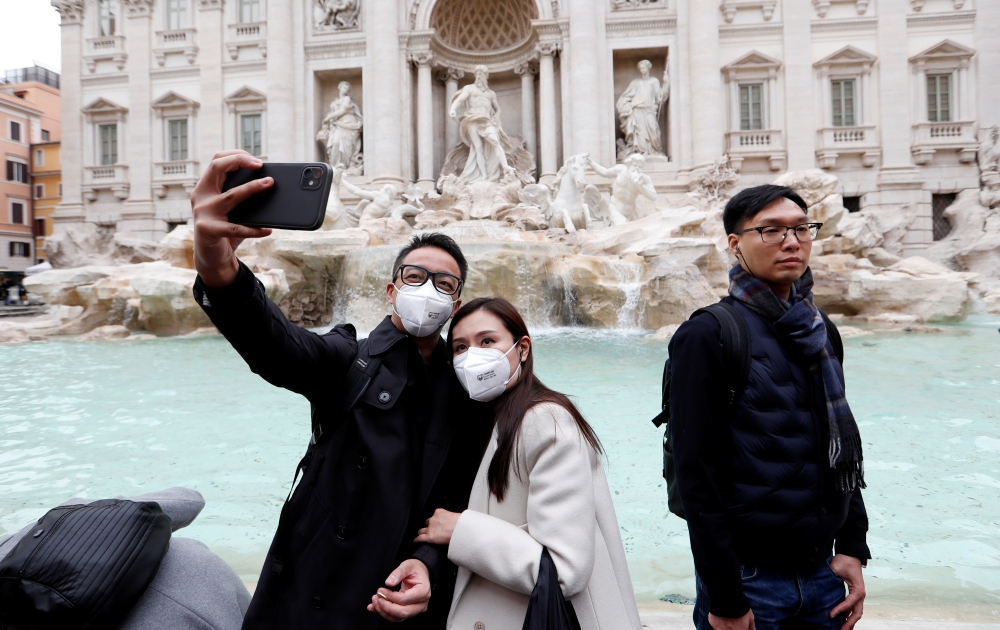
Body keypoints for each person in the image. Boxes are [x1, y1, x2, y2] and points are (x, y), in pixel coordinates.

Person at [189, 149, 494, 629]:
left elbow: (462, 499)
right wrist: (217, 268)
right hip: (317, 593)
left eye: (444, 283)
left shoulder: (468, 389)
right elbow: (278, 346)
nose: (428, 289)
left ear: (454, 303)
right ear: (391, 290)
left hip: (401, 598)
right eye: (415, 277)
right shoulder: (348, 358)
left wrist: (430, 566)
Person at [669, 184, 870, 630]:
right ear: (735, 244)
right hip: (749, 580)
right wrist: (725, 597)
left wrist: (853, 547)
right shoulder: (708, 335)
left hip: (822, 577)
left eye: (802, 229)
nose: (792, 241)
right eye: (772, 230)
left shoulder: (821, 331)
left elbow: (838, 448)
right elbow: (696, 474)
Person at [415, 297, 642, 630]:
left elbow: (565, 570)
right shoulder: (494, 422)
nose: (472, 356)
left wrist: (460, 531)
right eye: (460, 347)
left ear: (522, 348)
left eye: (487, 341)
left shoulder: (545, 420)